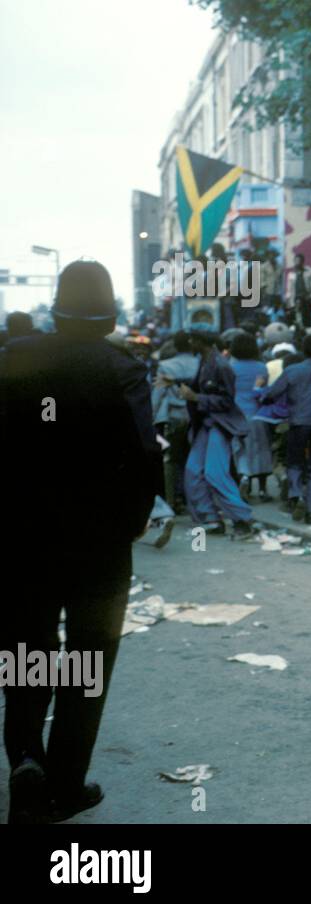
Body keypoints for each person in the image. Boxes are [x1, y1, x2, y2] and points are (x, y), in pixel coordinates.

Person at [0, 261, 163, 823]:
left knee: (27, 650)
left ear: (57, 306)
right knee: (87, 658)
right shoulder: (122, 368)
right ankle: (66, 783)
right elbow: (146, 454)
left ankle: (25, 757)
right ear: (109, 313)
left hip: (21, 540)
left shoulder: (14, 357)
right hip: (99, 544)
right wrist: (136, 517)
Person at [173, 326, 256, 539]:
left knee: (214, 473)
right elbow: (197, 388)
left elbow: (227, 402)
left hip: (221, 424)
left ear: (202, 341)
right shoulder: (204, 361)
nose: (190, 343)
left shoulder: (222, 365)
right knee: (193, 471)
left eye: (193, 340)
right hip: (206, 425)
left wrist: (195, 398)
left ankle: (242, 520)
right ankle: (210, 518)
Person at [257, 333, 311, 523]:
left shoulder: (292, 371)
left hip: (297, 422)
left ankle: (296, 495)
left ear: (303, 350)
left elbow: (272, 394)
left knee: (294, 463)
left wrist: (260, 392)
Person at [152, 329, 200, 513]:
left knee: (171, 460)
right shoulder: (200, 363)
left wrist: (151, 418)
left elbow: (158, 393)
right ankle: (193, 499)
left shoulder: (165, 365)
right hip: (196, 416)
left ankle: (171, 502)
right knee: (194, 458)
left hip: (174, 416)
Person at [228, 331, 275, 503]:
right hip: (258, 415)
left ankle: (244, 478)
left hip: (236, 415)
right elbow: (263, 392)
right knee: (262, 450)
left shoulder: (230, 368)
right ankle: (263, 490)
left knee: (239, 451)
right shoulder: (261, 368)